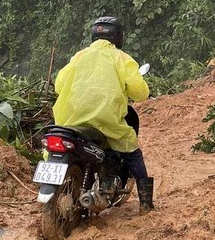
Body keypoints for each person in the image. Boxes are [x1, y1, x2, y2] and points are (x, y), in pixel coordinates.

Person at [52, 16, 154, 212]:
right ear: (118, 36)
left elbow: (59, 86)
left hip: (71, 121)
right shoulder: (122, 58)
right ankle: (146, 205)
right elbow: (140, 93)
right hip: (105, 120)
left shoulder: (79, 56)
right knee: (132, 153)